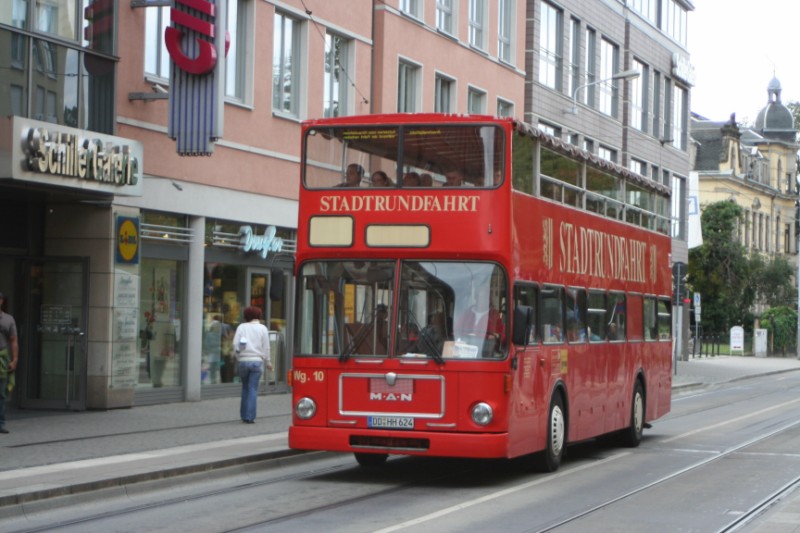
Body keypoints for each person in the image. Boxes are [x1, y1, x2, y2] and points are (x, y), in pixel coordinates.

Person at [232, 306, 272, 423]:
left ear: (246, 316)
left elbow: (235, 344)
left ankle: (244, 415)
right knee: (253, 389)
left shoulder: (241, 327)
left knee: (245, 388)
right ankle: (250, 417)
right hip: (256, 361)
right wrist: (268, 362)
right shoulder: (263, 328)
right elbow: (266, 347)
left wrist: (239, 357)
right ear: (259, 316)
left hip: (243, 361)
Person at [0, 292, 19, 435]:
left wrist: (14, 360)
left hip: (2, 360)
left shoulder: (8, 319)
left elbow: (13, 341)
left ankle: (0, 423)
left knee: (1, 393)